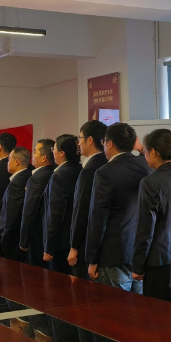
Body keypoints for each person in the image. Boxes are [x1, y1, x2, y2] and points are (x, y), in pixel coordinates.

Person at [86, 123, 151, 292]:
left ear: (110, 143)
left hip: (114, 254)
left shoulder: (104, 172)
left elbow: (98, 218)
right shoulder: (145, 165)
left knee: (115, 305)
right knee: (138, 304)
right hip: (140, 250)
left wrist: (93, 259)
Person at [131, 129, 171, 301]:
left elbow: (145, 227)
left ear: (154, 152)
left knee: (157, 312)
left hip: (158, 260)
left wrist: (138, 265)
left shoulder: (150, 182)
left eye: (145, 150)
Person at [69, 120, 108, 279]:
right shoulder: (108, 163)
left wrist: (74, 246)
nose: (79, 143)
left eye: (80, 138)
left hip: (87, 243)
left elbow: (82, 209)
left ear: (90, 140)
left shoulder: (89, 170)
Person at [43, 134, 83, 274]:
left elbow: (56, 213)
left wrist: (49, 247)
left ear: (62, 153)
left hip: (62, 242)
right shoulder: (81, 170)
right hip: (77, 239)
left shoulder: (60, 175)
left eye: (54, 148)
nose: (52, 151)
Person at [20, 139, 57, 268]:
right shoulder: (56, 173)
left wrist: (24, 241)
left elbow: (29, 210)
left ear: (44, 158)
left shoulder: (37, 178)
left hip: (37, 236)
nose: (33, 155)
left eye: (35, 152)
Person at [0, 147, 33, 262]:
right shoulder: (27, 176)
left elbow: (12, 214)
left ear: (17, 162)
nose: (7, 163)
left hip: (13, 240)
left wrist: (4, 238)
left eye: (9, 159)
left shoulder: (17, 182)